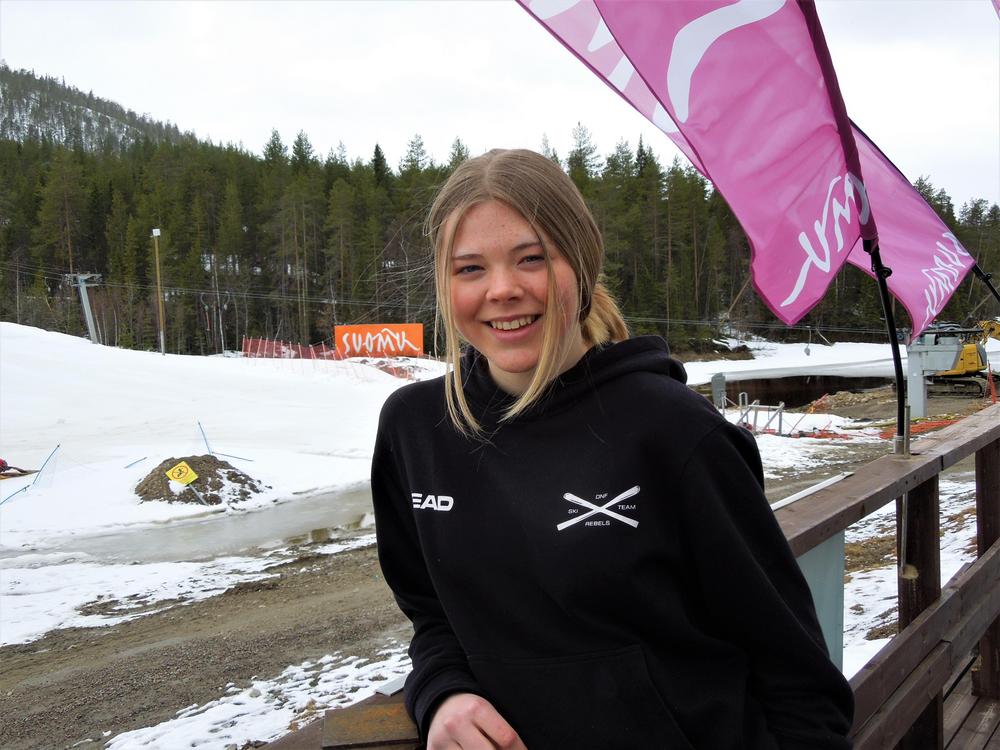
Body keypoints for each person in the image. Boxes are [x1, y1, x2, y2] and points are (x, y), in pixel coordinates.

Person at [372, 148, 853, 750]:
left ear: (582, 262)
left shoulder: (676, 432)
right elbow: (431, 611)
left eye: (532, 258)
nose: (503, 289)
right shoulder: (415, 429)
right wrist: (442, 690)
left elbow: (799, 682)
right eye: (470, 269)